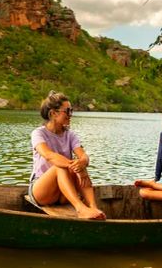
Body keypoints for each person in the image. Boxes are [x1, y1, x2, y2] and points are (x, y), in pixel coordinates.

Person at [28, 91, 106, 220]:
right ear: (53, 113)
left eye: (71, 111)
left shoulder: (70, 135)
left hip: (63, 193)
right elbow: (49, 155)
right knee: (59, 166)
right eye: (68, 111)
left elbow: (83, 156)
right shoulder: (38, 133)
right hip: (42, 191)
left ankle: (93, 206)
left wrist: (82, 164)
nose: (71, 115)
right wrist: (76, 168)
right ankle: (80, 208)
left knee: (80, 164)